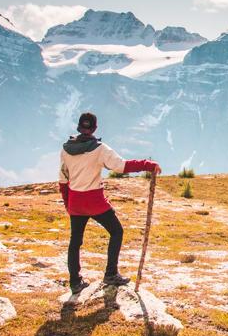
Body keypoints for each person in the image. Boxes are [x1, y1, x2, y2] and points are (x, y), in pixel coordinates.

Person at [58, 112, 161, 294]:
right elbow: (121, 166)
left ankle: (75, 282)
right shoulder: (99, 149)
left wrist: (68, 204)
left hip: (75, 202)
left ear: (79, 127)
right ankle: (110, 274)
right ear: (95, 128)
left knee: (75, 241)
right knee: (116, 231)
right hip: (95, 201)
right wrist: (148, 164)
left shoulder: (66, 149)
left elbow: (63, 181)